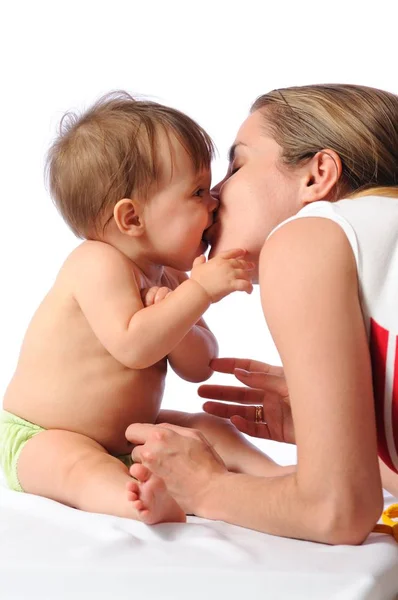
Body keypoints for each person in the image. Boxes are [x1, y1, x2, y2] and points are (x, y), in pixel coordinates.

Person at [126, 83, 398, 544]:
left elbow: (338, 513)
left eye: (236, 166)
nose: (212, 193)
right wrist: (361, 443)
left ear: (317, 175)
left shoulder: (308, 236)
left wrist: (206, 486)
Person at [0, 92, 281, 525]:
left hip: (128, 434)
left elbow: (199, 365)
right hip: (41, 435)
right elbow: (133, 346)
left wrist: (180, 310)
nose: (214, 203)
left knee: (203, 428)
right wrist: (197, 295)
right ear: (131, 218)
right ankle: (133, 501)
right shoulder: (95, 262)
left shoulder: (169, 278)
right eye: (197, 191)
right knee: (76, 465)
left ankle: (276, 476)